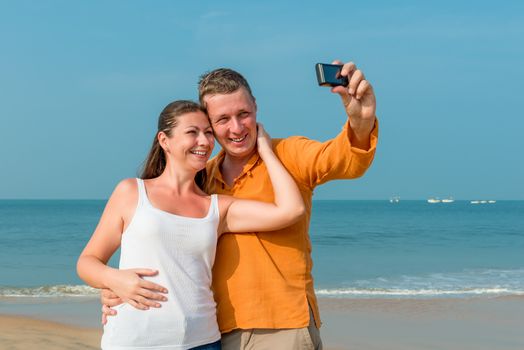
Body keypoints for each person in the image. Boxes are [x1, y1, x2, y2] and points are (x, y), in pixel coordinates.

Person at [102, 60, 378, 349]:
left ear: (256, 107)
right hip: (214, 332)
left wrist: (362, 120)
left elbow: (346, 159)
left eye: (243, 114)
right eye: (222, 120)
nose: (236, 128)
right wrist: (116, 285)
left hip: (281, 328)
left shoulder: (289, 154)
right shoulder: (201, 179)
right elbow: (169, 250)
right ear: (208, 125)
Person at [77, 100, 305, 350]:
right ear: (165, 141)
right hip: (134, 341)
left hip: (202, 341)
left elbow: (291, 210)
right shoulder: (131, 192)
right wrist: (115, 280)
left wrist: (266, 150)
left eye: (208, 132)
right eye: (192, 132)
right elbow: (87, 262)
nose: (204, 142)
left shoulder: (218, 208)